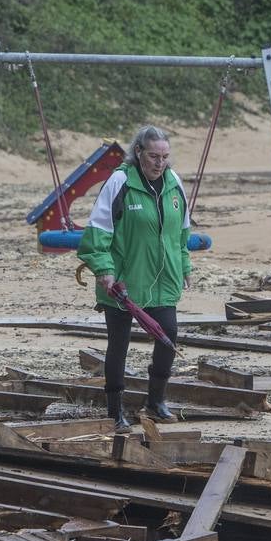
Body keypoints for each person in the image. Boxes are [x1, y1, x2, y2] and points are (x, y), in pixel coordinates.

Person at [77, 125, 192, 430]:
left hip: (163, 279)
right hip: (122, 282)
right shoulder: (120, 181)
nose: (160, 162)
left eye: (165, 156)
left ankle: (155, 402)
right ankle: (114, 410)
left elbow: (181, 232)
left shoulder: (174, 183)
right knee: (120, 344)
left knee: (168, 335)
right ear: (139, 152)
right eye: (154, 156)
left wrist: (185, 266)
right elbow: (97, 231)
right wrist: (103, 268)